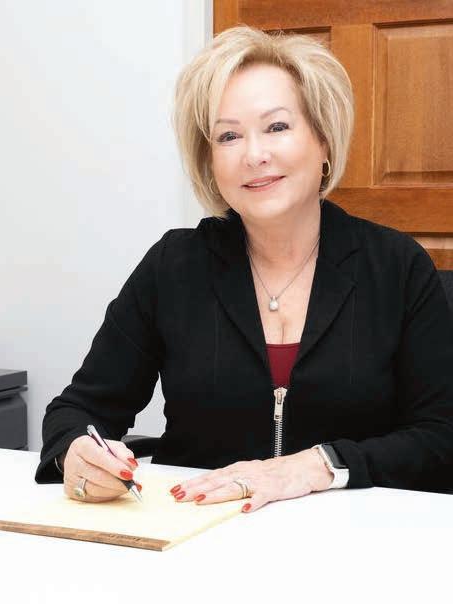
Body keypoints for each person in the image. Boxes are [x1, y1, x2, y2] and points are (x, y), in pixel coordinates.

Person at [35, 25, 453, 513]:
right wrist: (77, 454)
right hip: (198, 532)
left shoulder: (397, 267)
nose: (254, 155)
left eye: (277, 127)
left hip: (352, 535)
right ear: (210, 162)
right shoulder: (174, 266)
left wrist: (317, 466)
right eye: (229, 136)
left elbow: (441, 436)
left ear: (323, 141)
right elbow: (78, 410)